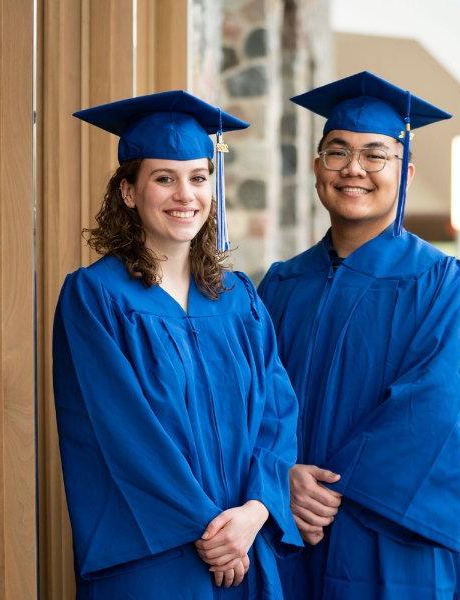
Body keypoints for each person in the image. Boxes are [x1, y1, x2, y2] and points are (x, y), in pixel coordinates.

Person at [53, 90, 302, 599]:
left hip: (245, 545)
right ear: (128, 192)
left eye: (198, 177)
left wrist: (254, 513)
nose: (184, 195)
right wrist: (210, 532)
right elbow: (122, 434)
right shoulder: (95, 297)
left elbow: (277, 415)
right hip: (155, 556)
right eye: (163, 178)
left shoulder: (240, 300)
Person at [258, 71, 460, 599]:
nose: (353, 169)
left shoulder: (439, 283)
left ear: (404, 171)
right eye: (337, 152)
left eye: (374, 155)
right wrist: (280, 475)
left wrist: (326, 492)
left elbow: (438, 411)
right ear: (317, 169)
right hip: (286, 530)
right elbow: (248, 403)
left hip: (385, 537)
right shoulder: (281, 284)